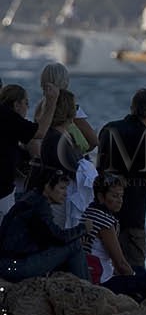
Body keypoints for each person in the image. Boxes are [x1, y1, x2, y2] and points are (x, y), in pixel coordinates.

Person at [96, 89, 146, 270]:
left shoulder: (108, 129)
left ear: (132, 107)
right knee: (135, 269)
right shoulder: (144, 139)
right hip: (132, 217)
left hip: (103, 213)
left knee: (105, 269)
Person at [82, 173, 146, 299]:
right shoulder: (105, 223)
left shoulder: (89, 212)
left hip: (92, 274)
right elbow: (120, 263)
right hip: (102, 283)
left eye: (121, 196)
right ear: (100, 197)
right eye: (114, 196)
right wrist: (134, 277)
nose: (120, 200)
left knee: (140, 271)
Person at [0, 168, 88, 281]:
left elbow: (48, 237)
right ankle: (87, 290)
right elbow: (58, 236)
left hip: (9, 264)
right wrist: (83, 228)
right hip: (16, 266)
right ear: (47, 187)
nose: (65, 194)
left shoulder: (30, 198)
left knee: (71, 244)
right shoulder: (39, 205)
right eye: (62, 188)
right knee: (74, 245)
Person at [37, 89, 97, 228]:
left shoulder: (62, 134)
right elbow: (73, 168)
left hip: (64, 198)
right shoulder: (55, 138)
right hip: (58, 201)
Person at [0, 81, 59, 218]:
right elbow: (40, 133)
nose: (27, 107)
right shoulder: (7, 116)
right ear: (16, 105)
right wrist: (52, 101)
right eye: (26, 103)